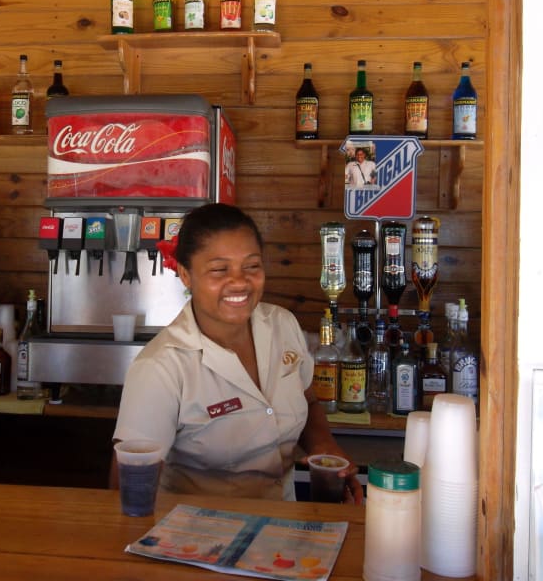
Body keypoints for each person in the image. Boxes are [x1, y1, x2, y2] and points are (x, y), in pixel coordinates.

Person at [111, 203, 363, 503]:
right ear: (185, 274)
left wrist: (325, 446)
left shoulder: (282, 325)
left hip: (282, 533)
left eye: (252, 266)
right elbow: (127, 490)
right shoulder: (162, 366)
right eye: (219, 269)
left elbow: (306, 398)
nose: (240, 281)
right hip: (194, 540)